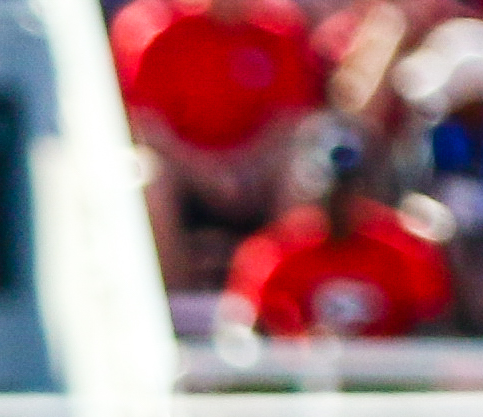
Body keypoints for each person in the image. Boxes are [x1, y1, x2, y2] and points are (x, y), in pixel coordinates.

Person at [113, 0, 321, 286]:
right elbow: (148, 126)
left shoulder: (281, 26)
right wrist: (208, 174)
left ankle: (281, 295)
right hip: (184, 173)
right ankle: (173, 299)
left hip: (254, 172)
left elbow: (288, 120)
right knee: (145, 176)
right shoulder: (154, 26)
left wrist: (244, 168)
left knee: (303, 176)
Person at [221, 139, 454, 337]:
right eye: (333, 193)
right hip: (302, 377)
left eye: (348, 190)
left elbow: (431, 324)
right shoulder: (276, 250)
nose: (341, 203)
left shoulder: (402, 248)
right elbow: (246, 326)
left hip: (383, 376)